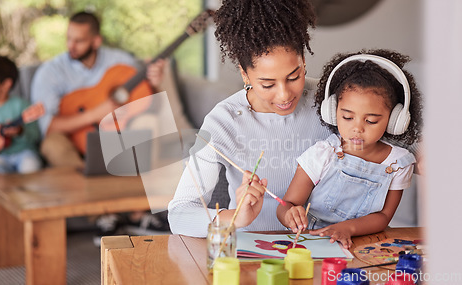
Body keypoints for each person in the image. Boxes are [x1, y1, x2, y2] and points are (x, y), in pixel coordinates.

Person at [168, 0, 335, 237]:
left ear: (303, 62)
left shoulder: (331, 103)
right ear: (244, 74)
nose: (284, 95)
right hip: (253, 257)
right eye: (267, 84)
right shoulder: (223, 122)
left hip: (325, 248)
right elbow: (179, 215)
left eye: (294, 76)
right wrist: (235, 218)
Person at [30, 11, 169, 244]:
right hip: (70, 140)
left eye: (79, 40)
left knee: (149, 125)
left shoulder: (120, 62)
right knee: (52, 145)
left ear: (96, 41)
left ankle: (138, 213)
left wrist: (154, 85)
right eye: (68, 38)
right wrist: (95, 114)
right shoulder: (50, 72)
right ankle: (104, 216)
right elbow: (50, 126)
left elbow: (145, 103)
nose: (71, 46)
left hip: (113, 133)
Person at [277, 49, 423, 249]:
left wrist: (348, 228)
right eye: (347, 117)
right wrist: (289, 214)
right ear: (332, 111)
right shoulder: (323, 153)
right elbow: (287, 204)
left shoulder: (398, 162)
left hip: (364, 245)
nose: (357, 128)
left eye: (371, 120)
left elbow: (383, 216)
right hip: (311, 242)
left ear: (394, 121)